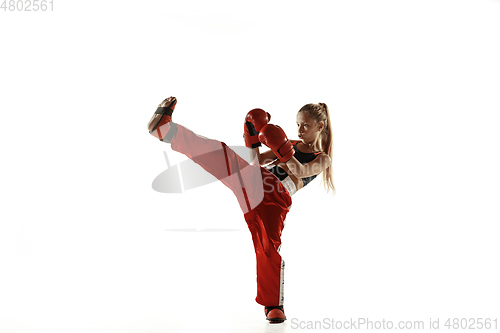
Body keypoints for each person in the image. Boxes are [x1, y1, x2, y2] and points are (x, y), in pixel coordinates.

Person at [147, 96, 335, 324]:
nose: (300, 129)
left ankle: (273, 306)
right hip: (257, 179)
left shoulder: (322, 158)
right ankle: (167, 131)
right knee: (221, 154)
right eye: (298, 124)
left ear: (320, 127)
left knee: (267, 247)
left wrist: (282, 147)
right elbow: (256, 161)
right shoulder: (291, 144)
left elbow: (301, 172)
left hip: (277, 197)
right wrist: (252, 137)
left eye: (305, 125)